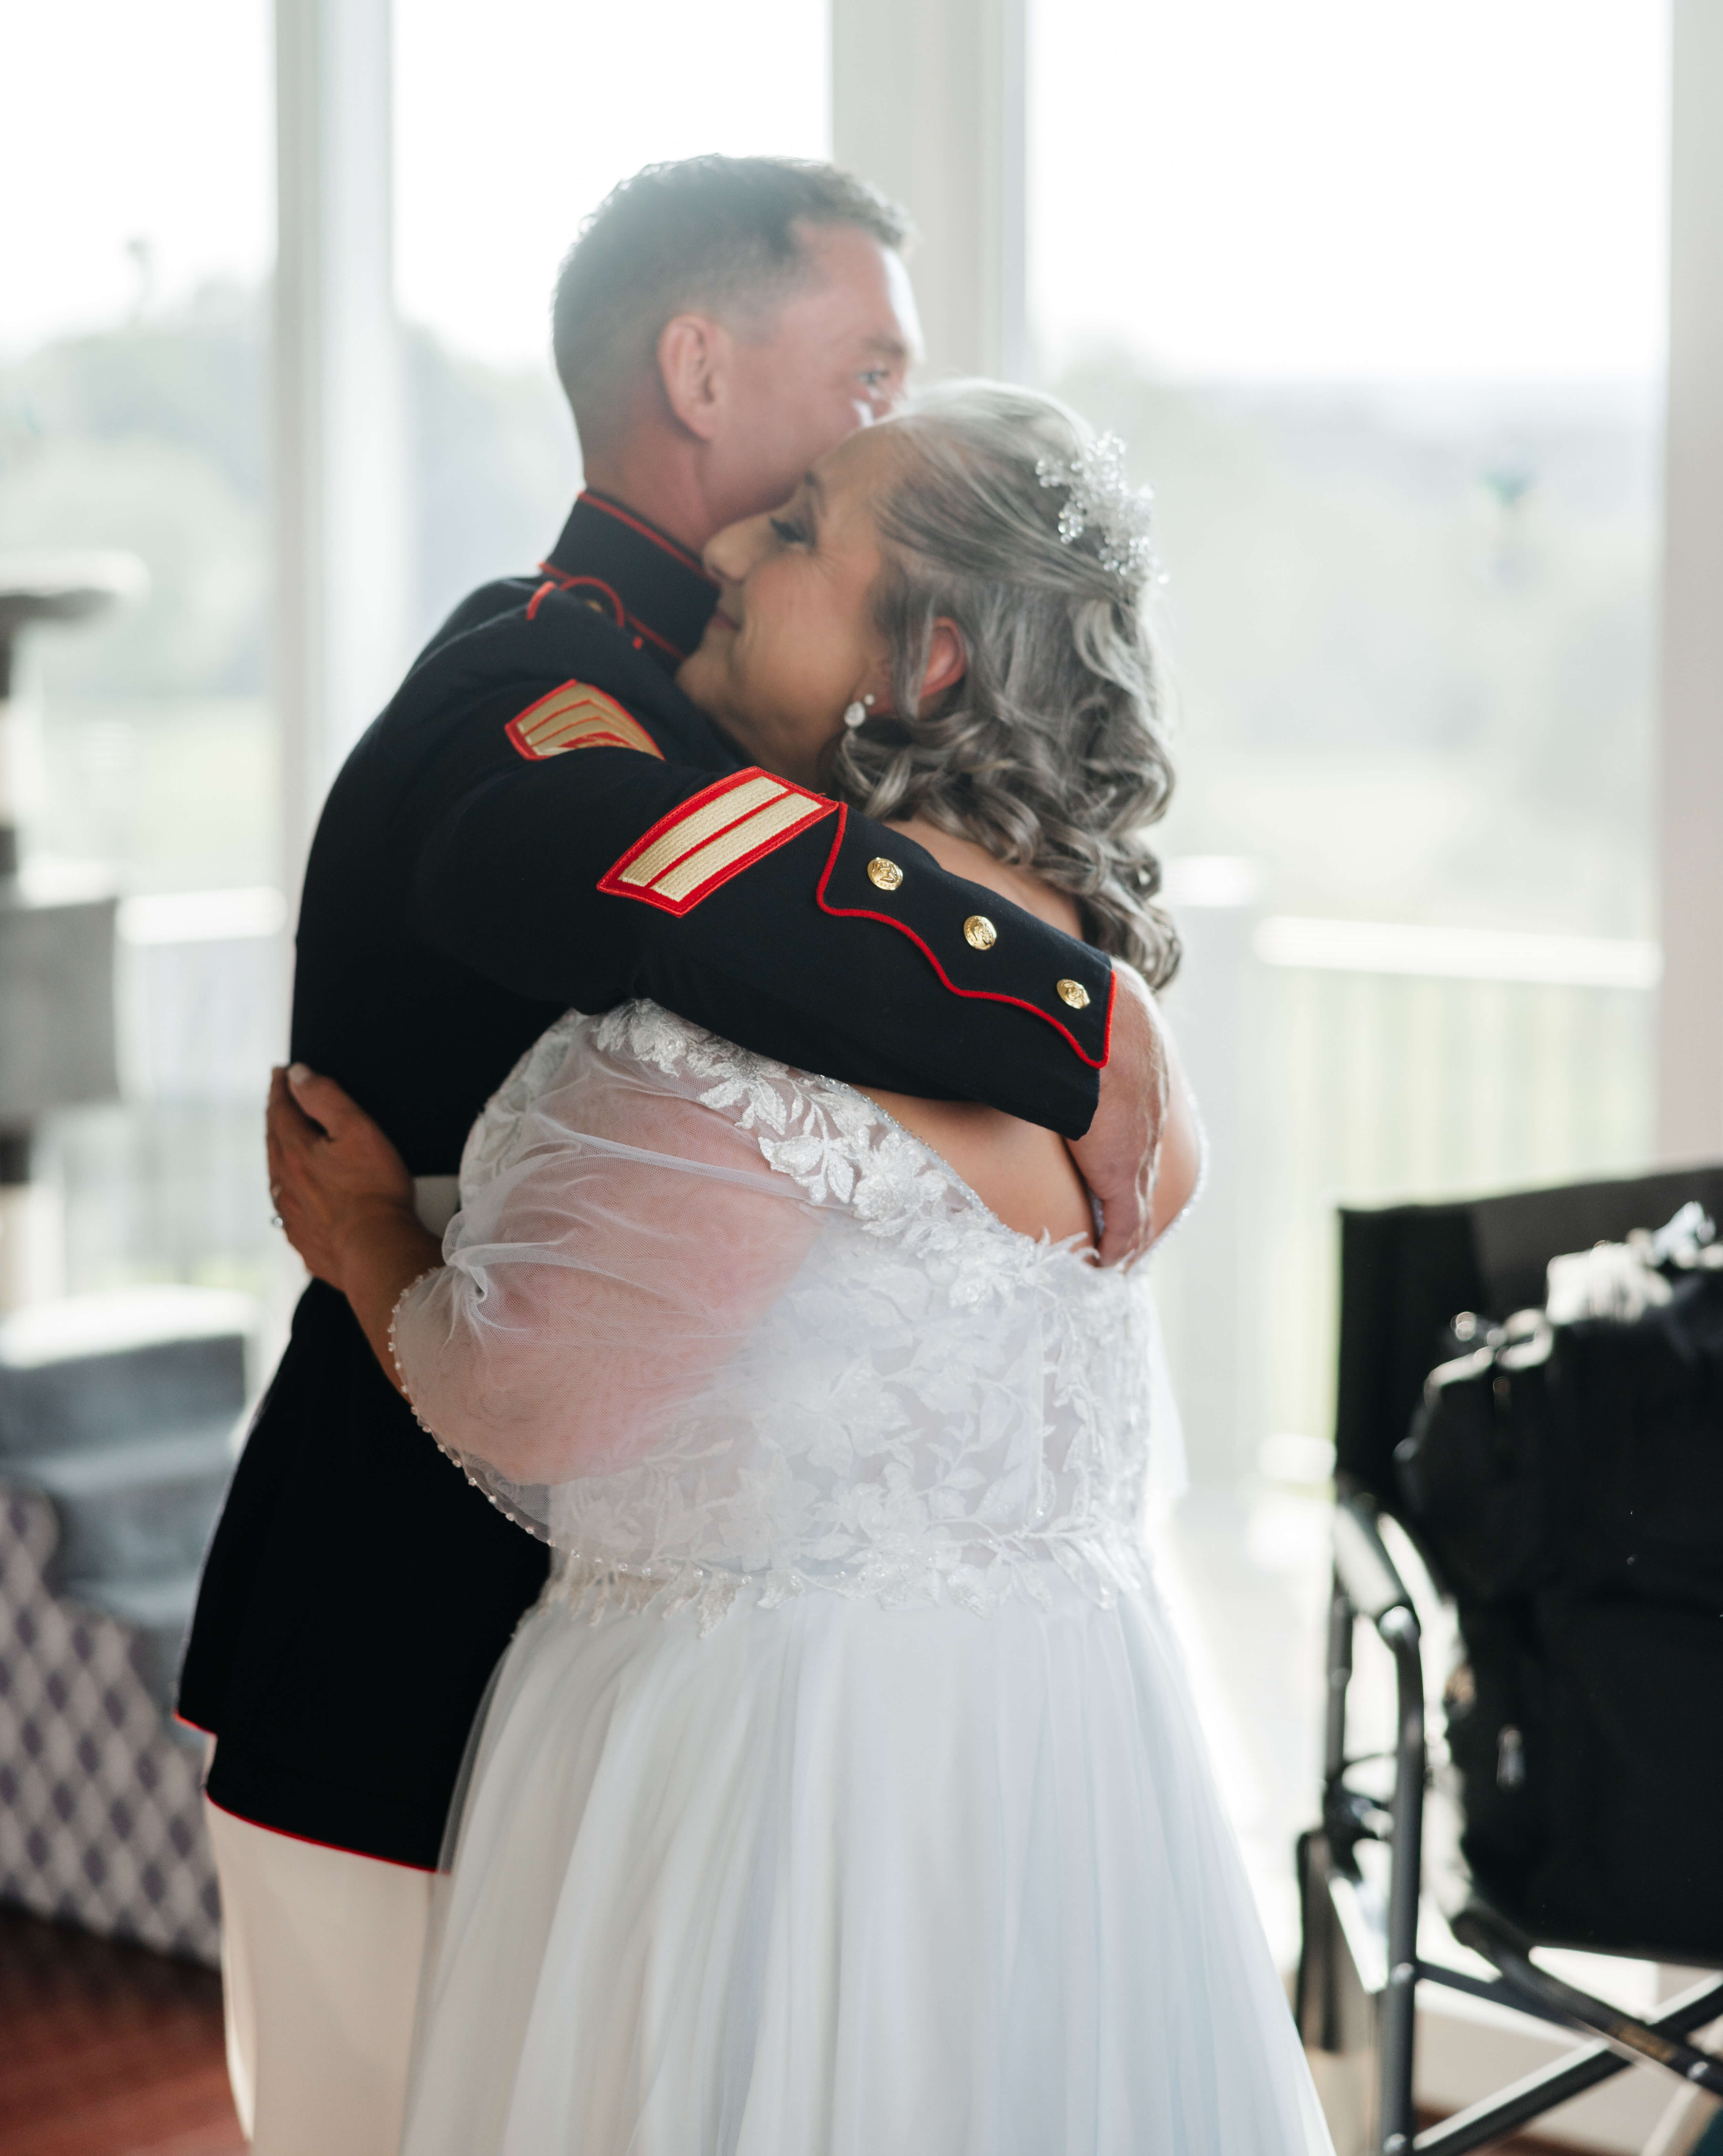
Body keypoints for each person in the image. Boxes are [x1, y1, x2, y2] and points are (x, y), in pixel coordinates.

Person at [179, 163, 1171, 2156]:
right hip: (418, 1654)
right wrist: (1082, 1018)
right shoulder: (533, 691)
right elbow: (694, 914)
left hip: (704, 1698)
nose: (893, 415)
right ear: (699, 370)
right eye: (864, 369)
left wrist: (1097, 1002)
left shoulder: (772, 727)